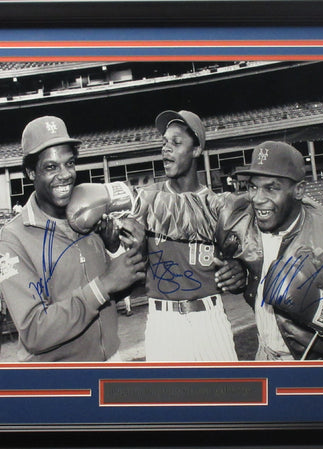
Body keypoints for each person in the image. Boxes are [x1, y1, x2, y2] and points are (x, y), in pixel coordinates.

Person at [68, 141, 323, 360]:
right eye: (253, 186)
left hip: (314, 362)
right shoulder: (240, 213)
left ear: (300, 190)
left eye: (272, 188)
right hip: (264, 354)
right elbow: (184, 211)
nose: (258, 198)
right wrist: (121, 195)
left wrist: (316, 306)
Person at [69, 110, 246, 362]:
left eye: (176, 143)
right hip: (164, 323)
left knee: (222, 400)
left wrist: (239, 271)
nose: (166, 149)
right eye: (164, 142)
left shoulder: (217, 207)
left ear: (196, 150)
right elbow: (133, 274)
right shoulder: (143, 200)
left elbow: (241, 269)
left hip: (210, 318)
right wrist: (115, 245)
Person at [0, 116, 145, 362]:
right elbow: (34, 332)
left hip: (111, 359)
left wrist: (115, 250)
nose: (65, 175)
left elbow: (118, 290)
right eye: (51, 167)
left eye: (70, 163)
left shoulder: (88, 214)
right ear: (30, 171)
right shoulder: (12, 239)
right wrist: (103, 285)